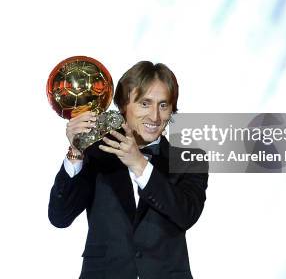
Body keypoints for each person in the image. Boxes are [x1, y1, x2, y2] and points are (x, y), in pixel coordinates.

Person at [48, 61, 208, 279]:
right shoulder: (96, 155)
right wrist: (76, 150)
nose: (155, 116)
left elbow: (186, 214)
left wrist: (139, 164)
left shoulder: (190, 158)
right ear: (124, 105)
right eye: (145, 103)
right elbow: (60, 217)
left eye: (163, 105)